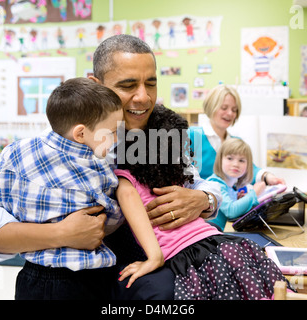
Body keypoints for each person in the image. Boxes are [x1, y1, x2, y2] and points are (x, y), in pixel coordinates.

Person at [0, 34, 222, 300]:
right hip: (67, 284)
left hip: (151, 279)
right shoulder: (43, 152)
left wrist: (204, 200)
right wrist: (60, 233)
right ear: (96, 84)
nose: (143, 98)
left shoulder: (161, 134)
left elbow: (199, 183)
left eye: (151, 84)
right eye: (128, 85)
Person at [115, 105, 288, 300]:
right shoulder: (174, 174)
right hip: (221, 244)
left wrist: (154, 258)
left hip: (186, 257)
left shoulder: (126, 182)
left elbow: (132, 203)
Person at [0, 78, 124, 299]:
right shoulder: (95, 166)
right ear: (81, 134)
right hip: (85, 278)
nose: (115, 139)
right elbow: (110, 217)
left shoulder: (14, 153)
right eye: (112, 132)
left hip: (34, 277)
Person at [188, 84, 285, 184]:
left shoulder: (235, 142)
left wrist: (267, 176)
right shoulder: (191, 135)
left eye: (234, 110)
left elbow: (249, 170)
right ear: (211, 107)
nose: (230, 113)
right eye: (224, 108)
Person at [207, 138, 266, 230]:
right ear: (220, 160)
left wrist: (242, 200)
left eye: (241, 161)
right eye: (230, 158)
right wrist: (254, 193)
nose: (235, 164)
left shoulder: (232, 187)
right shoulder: (215, 184)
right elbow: (231, 211)